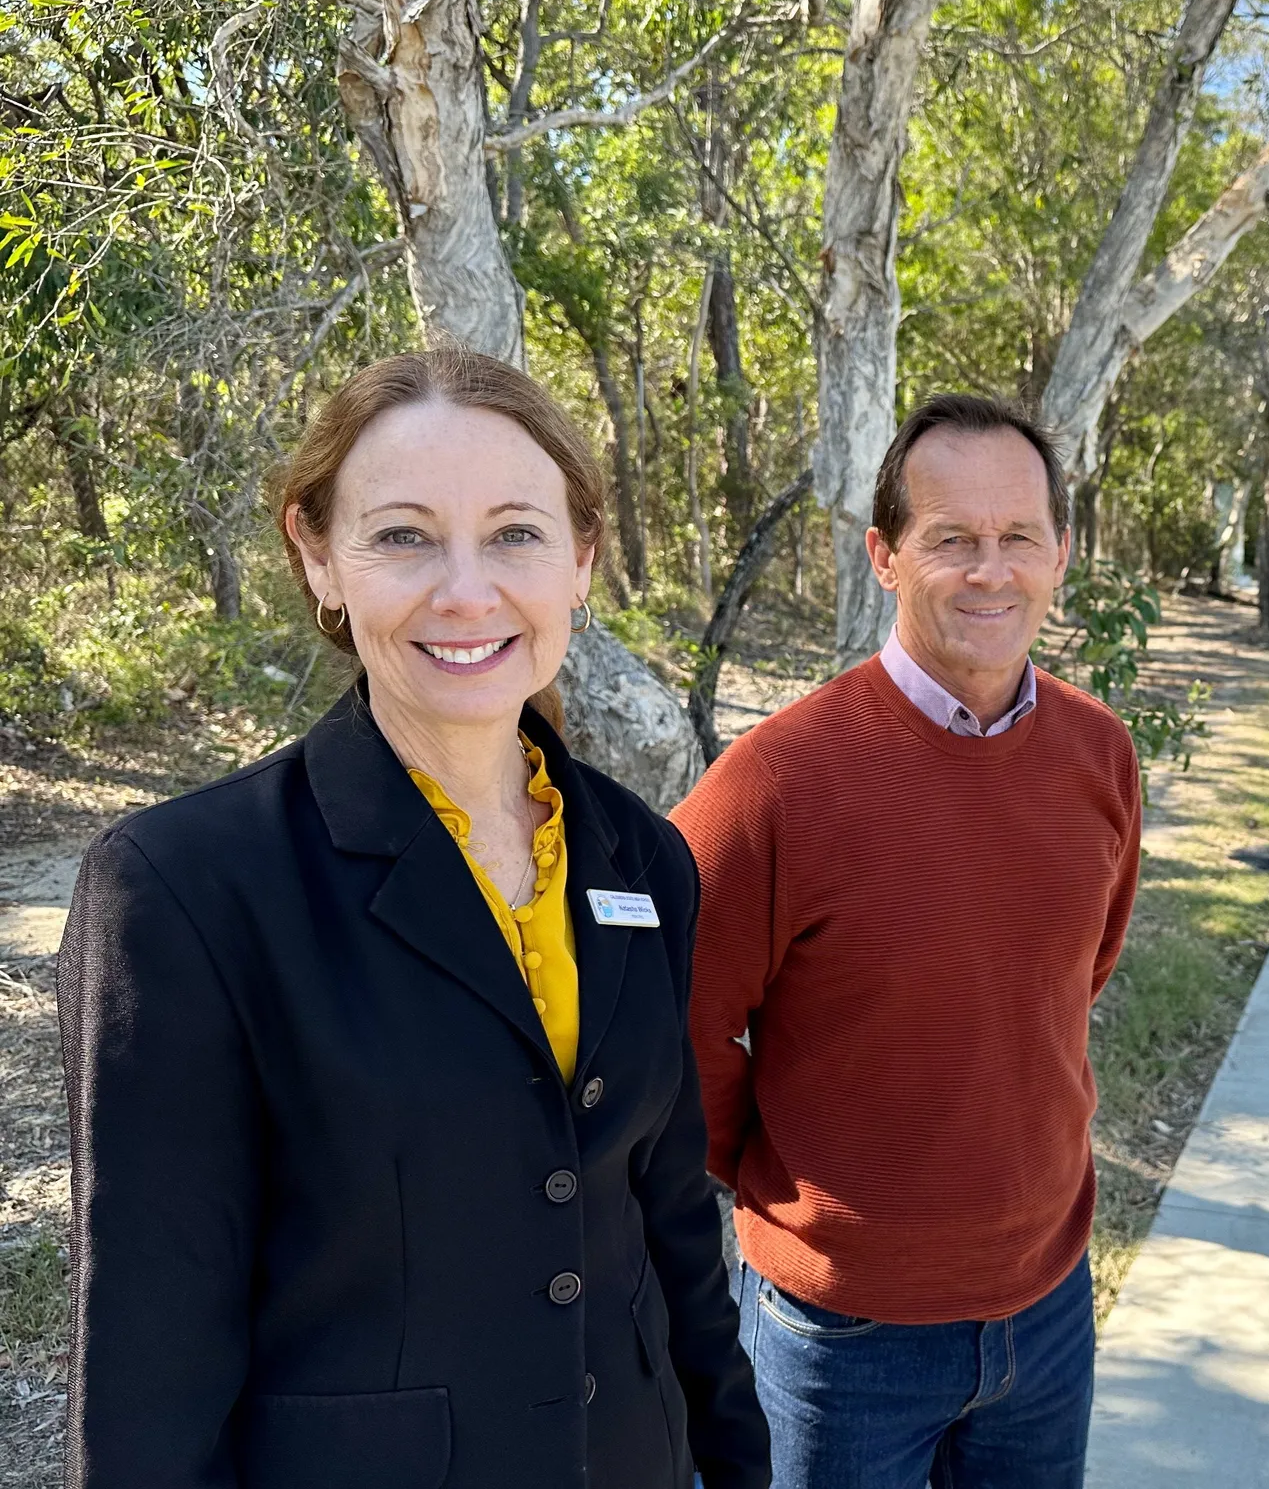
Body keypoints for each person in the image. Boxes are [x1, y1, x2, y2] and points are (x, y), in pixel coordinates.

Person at [58, 351, 770, 1489]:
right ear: (318, 555)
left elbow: (670, 1215)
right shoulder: (184, 888)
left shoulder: (644, 856)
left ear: (581, 560)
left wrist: (737, 1462)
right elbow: (152, 1348)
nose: (467, 591)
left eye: (516, 534)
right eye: (401, 536)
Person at [671, 393, 1143, 1489]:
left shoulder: (1101, 757)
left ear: (1059, 554)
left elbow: (1073, 978)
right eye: (953, 540)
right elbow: (672, 1023)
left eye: (1019, 537)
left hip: (1048, 1309)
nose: (993, 570)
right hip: (839, 1341)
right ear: (885, 556)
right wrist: (785, 1177)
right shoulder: (775, 785)